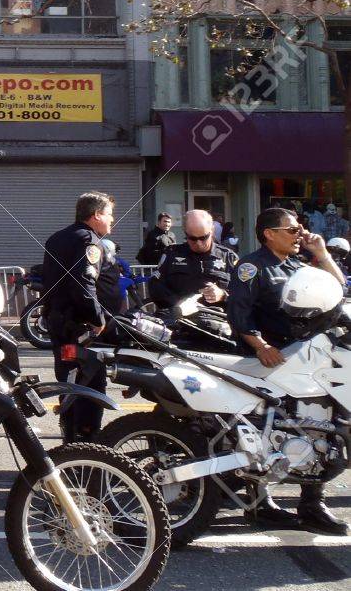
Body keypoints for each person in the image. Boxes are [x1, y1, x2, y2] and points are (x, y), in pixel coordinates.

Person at [228, 207, 346, 534]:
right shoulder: (253, 267)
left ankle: (311, 501)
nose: (300, 234)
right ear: (270, 233)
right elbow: (239, 315)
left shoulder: (295, 264)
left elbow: (338, 291)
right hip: (271, 360)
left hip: (307, 358)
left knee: (320, 428)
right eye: (292, 230)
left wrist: (321, 253)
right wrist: (261, 347)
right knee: (266, 430)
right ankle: (260, 501)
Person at [40, 191, 124, 443]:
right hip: (82, 330)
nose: (112, 220)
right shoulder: (90, 242)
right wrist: (98, 318)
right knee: (90, 387)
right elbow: (83, 283)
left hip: (60, 325)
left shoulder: (57, 238)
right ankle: (86, 444)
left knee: (69, 383)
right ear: (96, 215)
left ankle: (70, 439)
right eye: (109, 214)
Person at [148, 209, 236, 310]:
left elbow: (245, 295)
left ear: (211, 231)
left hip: (217, 320)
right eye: (193, 238)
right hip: (180, 320)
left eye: (203, 238)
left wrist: (223, 295)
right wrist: (178, 304)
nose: (198, 243)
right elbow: (155, 285)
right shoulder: (172, 254)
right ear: (185, 233)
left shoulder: (228, 257)